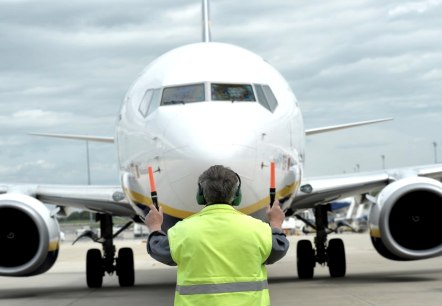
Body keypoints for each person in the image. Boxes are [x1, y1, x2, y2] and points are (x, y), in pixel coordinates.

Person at [145, 165, 289, 306]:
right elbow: (279, 247)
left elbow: (158, 249)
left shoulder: (182, 231)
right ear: (237, 196)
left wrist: (155, 226)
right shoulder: (258, 229)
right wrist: (276, 222)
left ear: (200, 195)